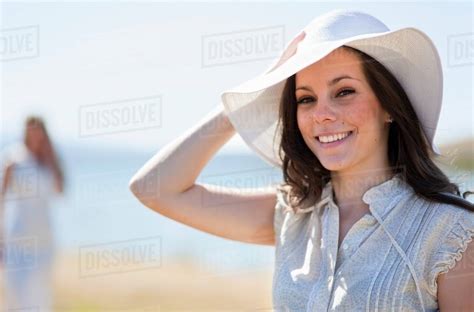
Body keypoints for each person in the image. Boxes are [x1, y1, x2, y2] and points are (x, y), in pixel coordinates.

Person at [129, 10, 474, 311]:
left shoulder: (451, 231)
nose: (321, 115)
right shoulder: (293, 215)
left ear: (388, 106)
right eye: (305, 99)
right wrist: (248, 97)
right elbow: (154, 189)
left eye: (344, 92)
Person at [0, 115, 64, 311]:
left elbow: (60, 190)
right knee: (17, 293)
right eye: (32, 130)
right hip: (18, 236)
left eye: (39, 131)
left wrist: (51, 158)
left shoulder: (48, 160)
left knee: (40, 296)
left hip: (44, 237)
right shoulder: (14, 159)